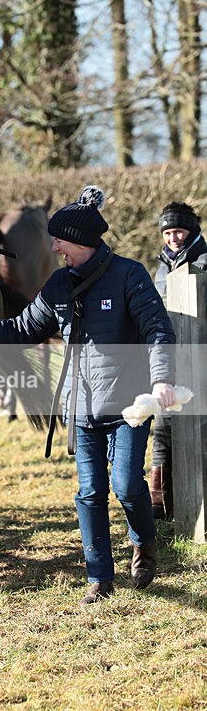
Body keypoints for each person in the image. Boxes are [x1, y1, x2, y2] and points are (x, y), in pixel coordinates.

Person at [0, 187, 177, 604]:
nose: (54, 248)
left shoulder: (130, 275)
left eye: (60, 240)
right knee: (89, 492)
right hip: (80, 406)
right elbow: (20, 330)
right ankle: (99, 578)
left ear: (81, 241)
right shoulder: (58, 285)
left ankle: (143, 544)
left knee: (126, 486)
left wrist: (160, 380)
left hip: (129, 406)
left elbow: (158, 330)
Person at [150, 202, 207, 521]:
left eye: (179, 231)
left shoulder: (204, 263)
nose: (173, 238)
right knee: (162, 429)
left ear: (192, 231)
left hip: (199, 359)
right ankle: (160, 506)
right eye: (168, 232)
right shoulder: (161, 266)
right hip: (169, 360)